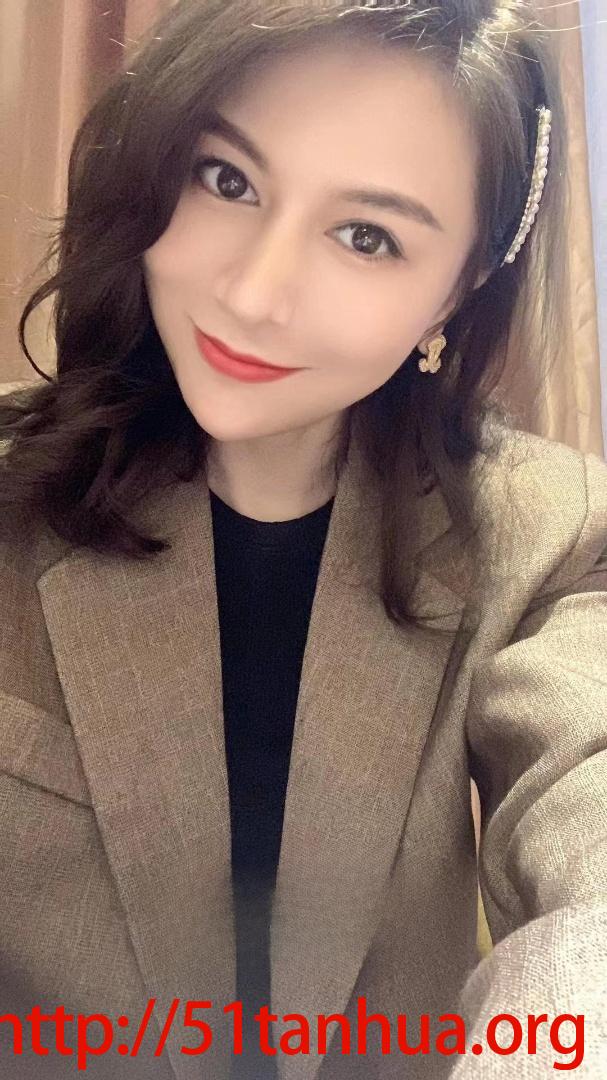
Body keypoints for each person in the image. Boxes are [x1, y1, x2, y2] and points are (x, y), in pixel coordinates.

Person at [0, 1, 606, 1078]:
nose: (253, 292)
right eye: (226, 179)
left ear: (459, 288)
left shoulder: (543, 532)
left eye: (366, 236)